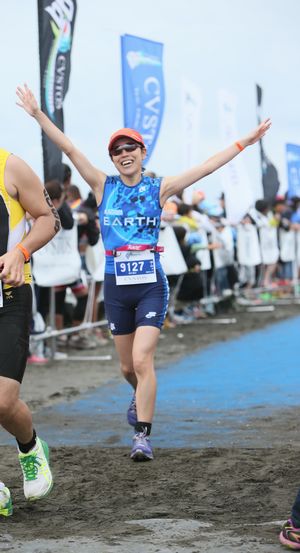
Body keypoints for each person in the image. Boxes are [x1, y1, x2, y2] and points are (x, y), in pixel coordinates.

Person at [16, 83, 271, 461]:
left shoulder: (160, 187)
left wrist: (245, 142)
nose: (123, 154)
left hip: (152, 284)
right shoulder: (103, 187)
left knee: (142, 360)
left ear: (142, 152)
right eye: (117, 151)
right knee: (125, 366)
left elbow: (206, 167)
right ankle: (140, 396)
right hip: (117, 286)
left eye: (129, 148)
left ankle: (142, 435)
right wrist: (38, 115)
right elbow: (70, 148)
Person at [0, 147, 60, 512]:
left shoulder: (10, 166)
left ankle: (30, 448)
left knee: (3, 401)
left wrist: (20, 251)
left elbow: (49, 218)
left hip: (9, 296)